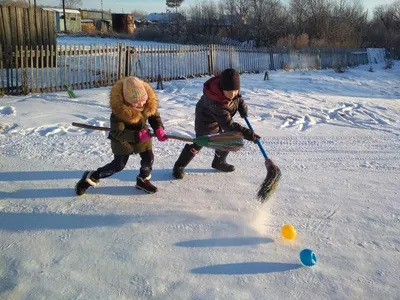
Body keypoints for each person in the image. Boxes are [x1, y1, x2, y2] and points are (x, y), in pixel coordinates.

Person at [75, 76, 168, 195]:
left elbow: (154, 117)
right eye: (136, 102)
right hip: (122, 139)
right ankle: (91, 177)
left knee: (148, 159)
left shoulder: (147, 103)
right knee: (118, 165)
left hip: (142, 135)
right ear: (127, 100)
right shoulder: (118, 111)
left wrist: (158, 128)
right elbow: (117, 132)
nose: (140, 104)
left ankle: (142, 180)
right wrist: (137, 135)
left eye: (143, 100)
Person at [172, 68, 260, 179]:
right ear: (222, 88)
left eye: (235, 90)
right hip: (206, 121)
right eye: (229, 91)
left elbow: (238, 98)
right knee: (200, 142)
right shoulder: (215, 102)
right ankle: (179, 166)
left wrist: (242, 107)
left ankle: (219, 162)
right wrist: (249, 134)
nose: (232, 94)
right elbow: (229, 126)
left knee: (227, 140)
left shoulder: (231, 88)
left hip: (221, 119)